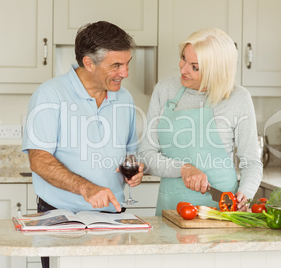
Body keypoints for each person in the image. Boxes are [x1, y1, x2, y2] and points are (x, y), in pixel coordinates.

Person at [22, 21, 144, 268]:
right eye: (116, 66)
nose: (125, 73)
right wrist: (87, 188)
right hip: (61, 216)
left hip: (112, 215)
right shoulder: (50, 94)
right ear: (89, 63)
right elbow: (39, 160)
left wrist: (135, 169)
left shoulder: (125, 98)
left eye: (127, 63)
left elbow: (130, 152)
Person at [138, 28, 263, 216]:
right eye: (183, 58)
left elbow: (251, 162)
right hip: (171, 208)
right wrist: (183, 168)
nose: (183, 68)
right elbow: (146, 155)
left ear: (216, 71)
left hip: (222, 210)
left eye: (194, 67)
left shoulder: (238, 98)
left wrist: (245, 194)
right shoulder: (165, 90)